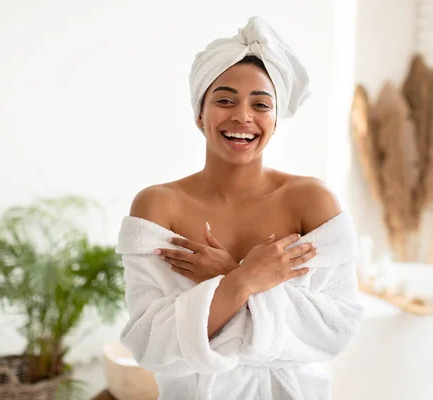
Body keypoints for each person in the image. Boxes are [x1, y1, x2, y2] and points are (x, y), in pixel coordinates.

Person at [116, 16, 363, 400]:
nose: (242, 116)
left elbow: (336, 329)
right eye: (225, 99)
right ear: (200, 113)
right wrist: (244, 281)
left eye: (260, 104)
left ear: (276, 119)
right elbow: (150, 343)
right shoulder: (157, 206)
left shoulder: (312, 201)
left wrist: (229, 274)